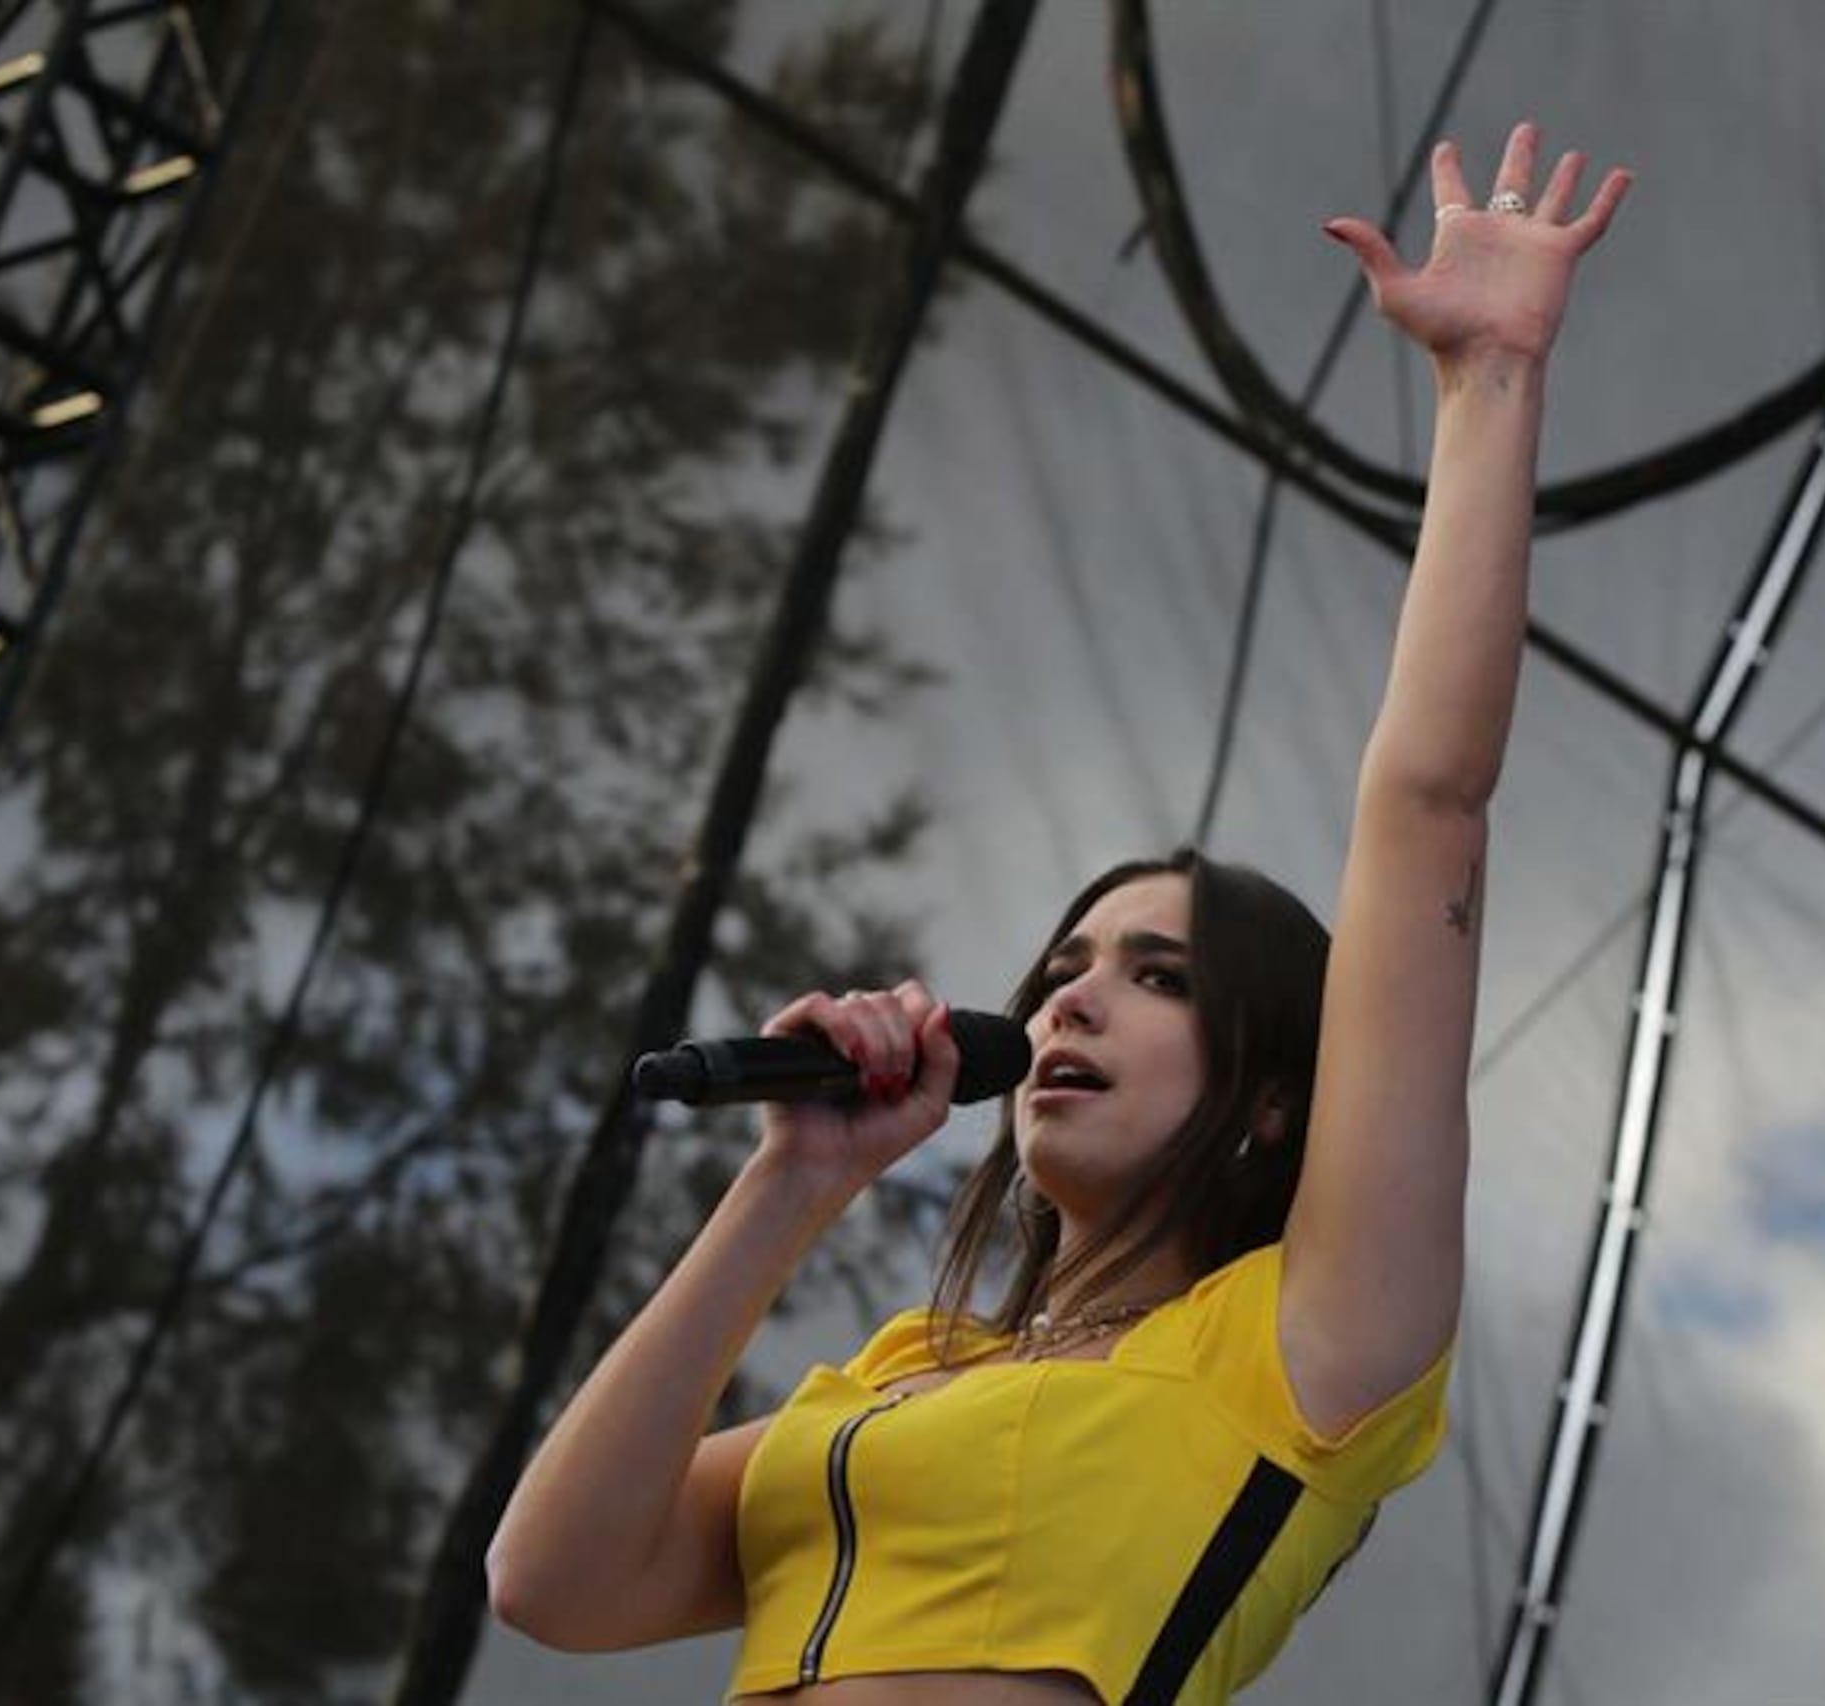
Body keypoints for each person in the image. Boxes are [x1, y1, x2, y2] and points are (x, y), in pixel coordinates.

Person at [488, 122, 1632, 1703]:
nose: (1071, 1001)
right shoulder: (903, 1372)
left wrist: (1489, 381)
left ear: (1272, 1090)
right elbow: (552, 1580)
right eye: (1065, 965)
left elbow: (1427, 803)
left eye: (1156, 975)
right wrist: (792, 1182)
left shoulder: (1303, 1346)